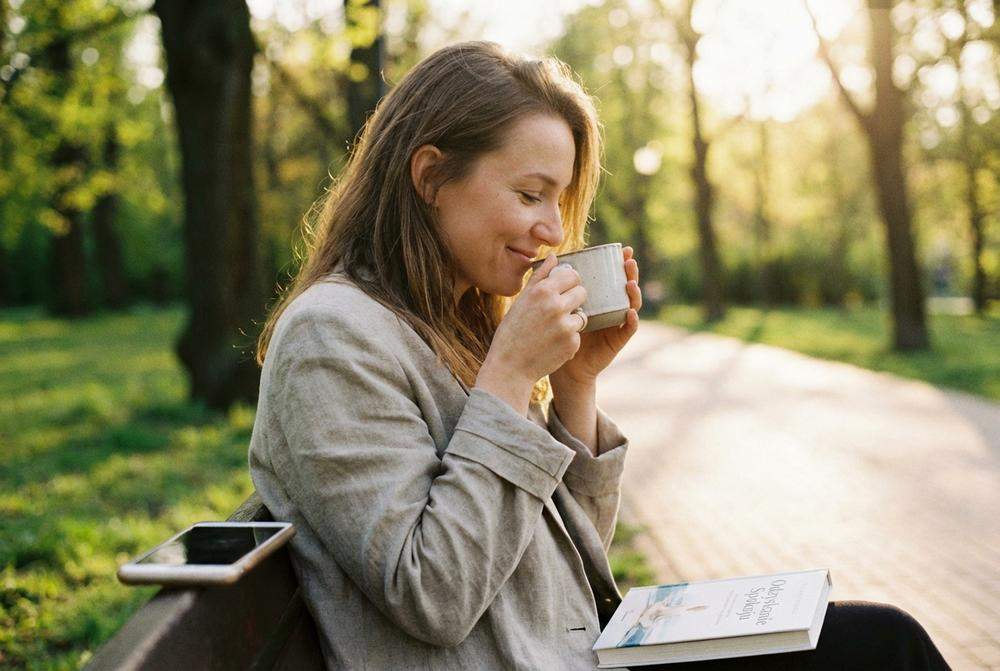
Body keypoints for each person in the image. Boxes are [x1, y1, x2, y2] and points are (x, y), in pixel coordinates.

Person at [247, 41, 949, 670]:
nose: (552, 230)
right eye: (530, 195)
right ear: (430, 176)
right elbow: (435, 594)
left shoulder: (449, 322)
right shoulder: (331, 337)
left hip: (576, 651)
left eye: (559, 201)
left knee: (884, 640)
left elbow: (567, 571)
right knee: (885, 650)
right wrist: (512, 375)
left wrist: (574, 386)